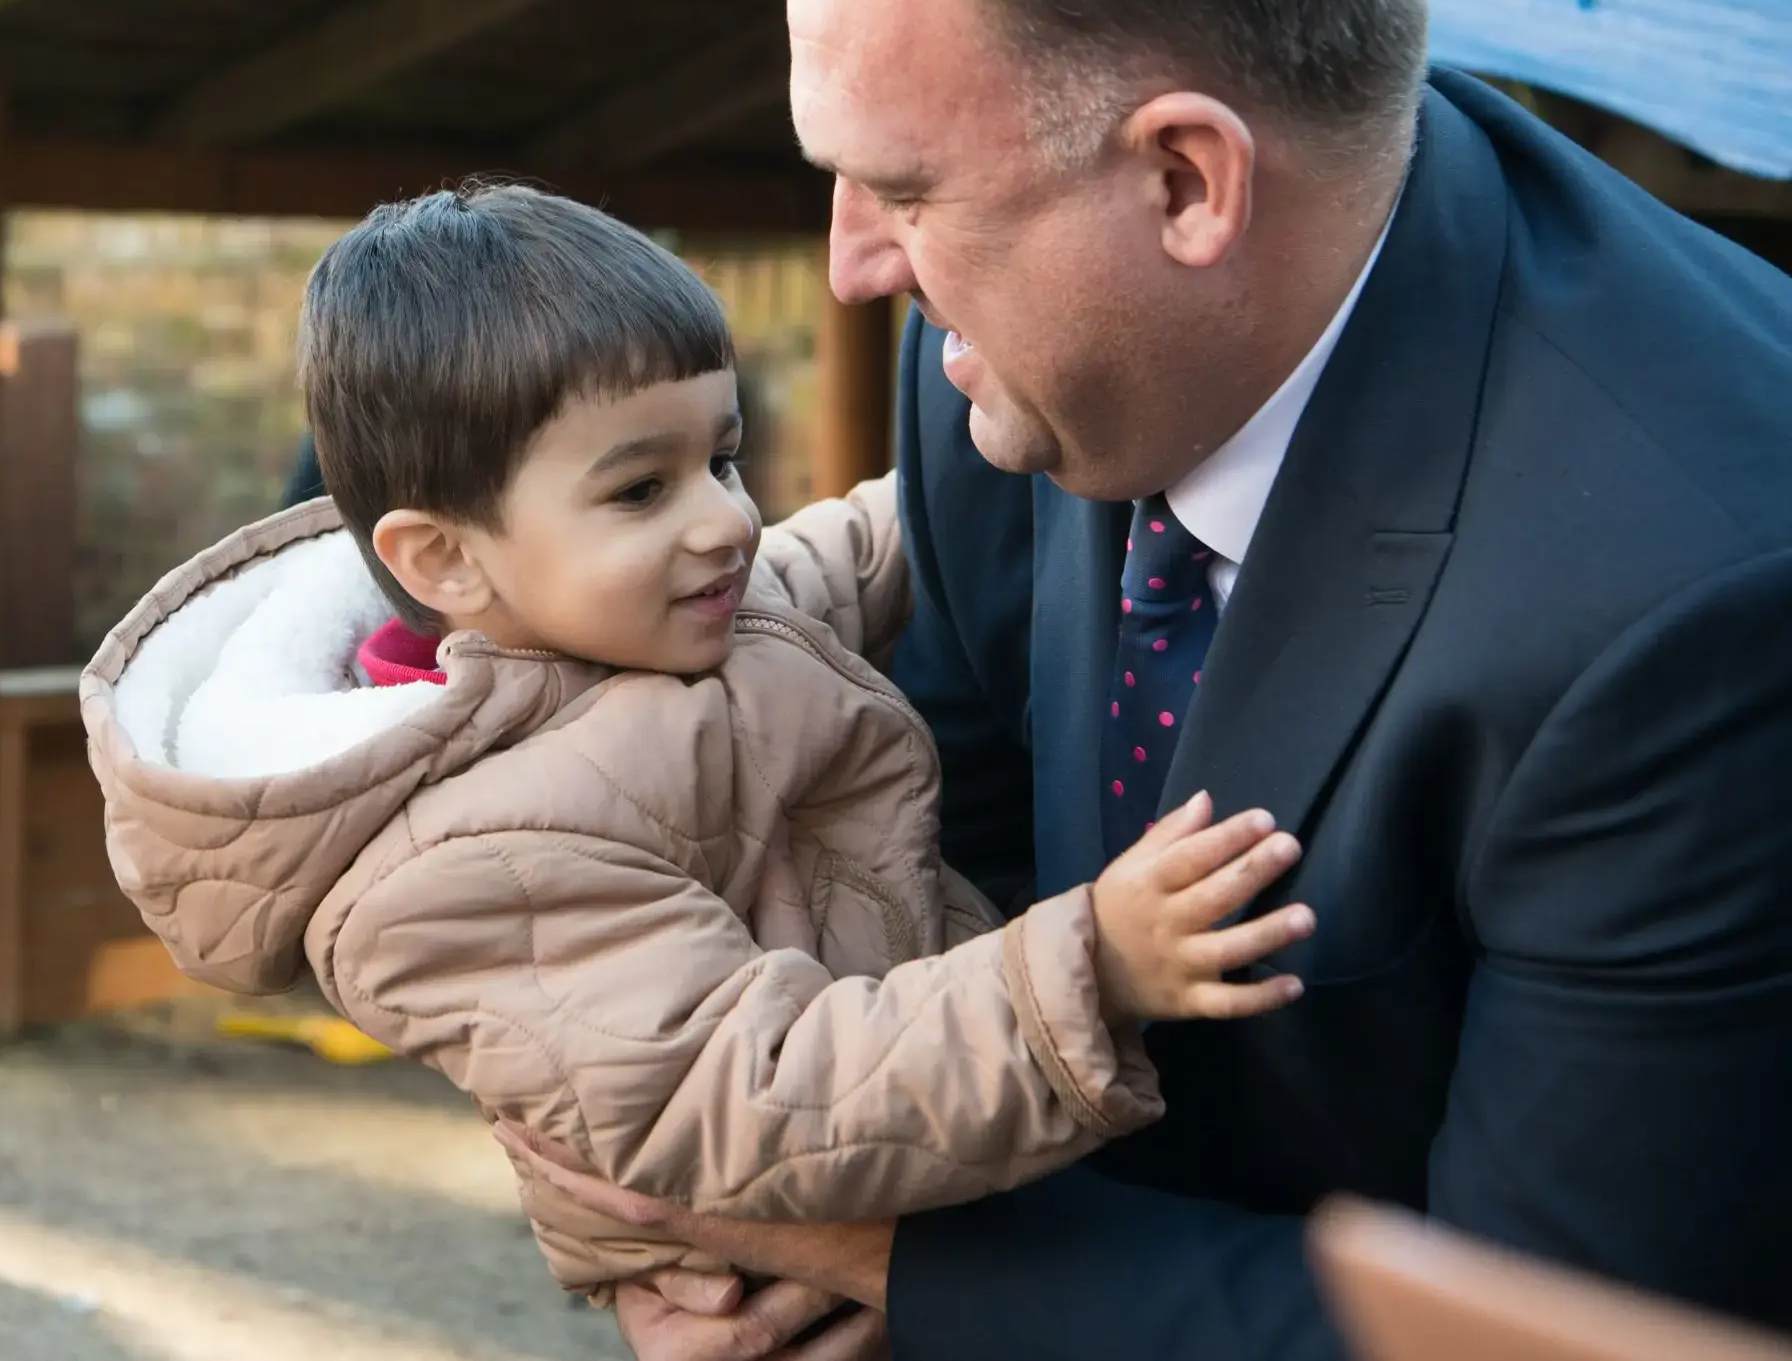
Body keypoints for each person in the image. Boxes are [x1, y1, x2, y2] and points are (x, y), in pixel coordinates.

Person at [495, 0, 1792, 1357]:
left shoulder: (1699, 599)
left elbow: (1538, 1332)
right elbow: (907, 885)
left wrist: (857, 1243)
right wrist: (700, 1228)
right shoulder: (1006, 360)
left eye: (902, 189)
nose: (856, 267)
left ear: (1187, 182)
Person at [80, 183, 1315, 1298]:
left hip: (965, 1172)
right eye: (639, 489)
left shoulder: (660, 613)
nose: (723, 520)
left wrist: (1033, 413)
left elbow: (884, 537)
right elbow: (766, 1089)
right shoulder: (451, 872)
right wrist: (1086, 971)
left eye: (721, 458)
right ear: (444, 557)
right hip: (816, 1288)